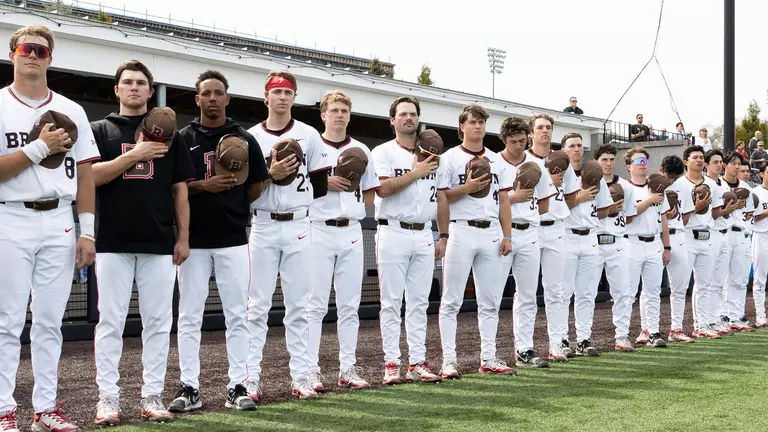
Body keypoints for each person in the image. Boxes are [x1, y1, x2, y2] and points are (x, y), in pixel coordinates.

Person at [0, 25, 98, 432]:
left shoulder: (72, 110)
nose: (33, 55)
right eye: (26, 48)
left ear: (50, 58)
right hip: (10, 217)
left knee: (49, 321)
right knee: (6, 321)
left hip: (59, 219)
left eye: (41, 50)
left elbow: (87, 174)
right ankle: (4, 410)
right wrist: (40, 147)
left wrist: (88, 230)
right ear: (12, 53)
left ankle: (45, 409)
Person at [90, 59, 195, 424]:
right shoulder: (99, 130)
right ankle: (108, 399)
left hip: (158, 243)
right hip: (112, 241)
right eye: (127, 82)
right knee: (110, 322)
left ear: (151, 93)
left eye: (141, 83)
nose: (134, 88)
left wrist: (183, 238)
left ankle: (152, 395)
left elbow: (180, 190)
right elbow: (91, 178)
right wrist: (135, 154)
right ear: (117, 90)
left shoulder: (172, 135)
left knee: (157, 322)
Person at [169, 70, 270, 413]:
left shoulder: (243, 137)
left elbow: (258, 183)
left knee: (237, 314)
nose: (212, 98)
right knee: (188, 315)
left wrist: (235, 202)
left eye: (218, 93)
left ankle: (237, 385)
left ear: (228, 99)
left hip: (232, 238)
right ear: (197, 100)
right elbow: (175, 188)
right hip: (193, 239)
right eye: (206, 93)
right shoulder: (182, 137)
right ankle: (189, 387)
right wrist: (203, 186)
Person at [244, 70, 331, 400]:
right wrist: (270, 174)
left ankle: (302, 375)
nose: (282, 97)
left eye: (288, 92)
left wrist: (296, 195)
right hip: (263, 224)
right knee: (256, 306)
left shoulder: (309, 135)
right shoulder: (251, 136)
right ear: (266, 96)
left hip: (298, 224)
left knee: (299, 306)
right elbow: (247, 189)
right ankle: (250, 377)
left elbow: (320, 184)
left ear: (294, 98)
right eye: (276, 91)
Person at [305, 91, 379, 391]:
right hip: (318, 229)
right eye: (333, 110)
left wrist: (356, 205)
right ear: (323, 115)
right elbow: (298, 186)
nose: (339, 115)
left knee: (350, 304)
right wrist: (326, 184)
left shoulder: (361, 149)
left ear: (349, 115)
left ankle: (347, 367)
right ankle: (309, 370)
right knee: (315, 305)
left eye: (344, 110)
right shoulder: (312, 146)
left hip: (351, 230)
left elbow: (372, 190)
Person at [437, 104, 514, 376]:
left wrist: (507, 236)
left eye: (481, 122)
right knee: (451, 300)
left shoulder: (497, 160)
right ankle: (449, 360)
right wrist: (467, 189)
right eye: (472, 122)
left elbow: (504, 200)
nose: (478, 126)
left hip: (491, 230)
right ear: (462, 126)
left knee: (490, 300)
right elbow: (442, 198)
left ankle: (489, 358)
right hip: (460, 229)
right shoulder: (448, 158)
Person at [372, 96, 444, 384]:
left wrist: (443, 234)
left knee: (418, 303)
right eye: (402, 114)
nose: (408, 118)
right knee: (391, 302)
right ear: (392, 120)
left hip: (424, 233)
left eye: (413, 114)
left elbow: (439, 197)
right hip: (392, 230)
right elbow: (383, 189)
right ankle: (391, 363)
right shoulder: (384, 152)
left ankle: (417, 363)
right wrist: (416, 172)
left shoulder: (434, 154)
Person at [497, 117, 556, 366]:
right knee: (492, 295)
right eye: (513, 141)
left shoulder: (536, 165)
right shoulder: (494, 162)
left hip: (530, 231)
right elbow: (486, 202)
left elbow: (544, 203)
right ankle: (488, 353)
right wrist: (514, 198)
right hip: (500, 232)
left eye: (522, 141)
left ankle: (524, 349)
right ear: (504, 140)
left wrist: (524, 208)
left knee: (528, 295)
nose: (518, 145)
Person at [525, 113, 581, 361]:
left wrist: (555, 187)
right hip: (531, 226)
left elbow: (571, 198)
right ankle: (524, 346)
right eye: (540, 127)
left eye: (548, 127)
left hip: (557, 226)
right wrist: (548, 181)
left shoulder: (562, 160)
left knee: (556, 290)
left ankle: (557, 342)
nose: (544, 131)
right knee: (526, 291)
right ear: (531, 133)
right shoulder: (523, 159)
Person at [560, 133, 613, 356]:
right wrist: (578, 199)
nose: (576, 149)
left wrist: (591, 216)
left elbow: (606, 208)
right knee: (563, 293)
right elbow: (551, 206)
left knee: (586, 293)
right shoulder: (558, 173)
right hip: (566, 235)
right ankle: (561, 339)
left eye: (580, 145)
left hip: (590, 236)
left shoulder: (595, 174)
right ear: (564, 150)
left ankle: (583, 339)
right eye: (572, 145)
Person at [623, 147, 671, 348]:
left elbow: (664, 217)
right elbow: (626, 217)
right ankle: (622, 334)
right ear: (628, 166)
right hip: (631, 242)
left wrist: (667, 246)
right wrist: (649, 199)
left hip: (653, 243)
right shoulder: (624, 188)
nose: (642, 164)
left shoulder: (657, 187)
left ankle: (652, 331)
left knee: (652, 291)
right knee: (628, 292)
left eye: (644, 160)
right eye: (637, 160)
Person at [593, 144, 638, 351]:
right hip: (593, 240)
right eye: (604, 159)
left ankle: (622, 335)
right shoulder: (589, 184)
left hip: (618, 241)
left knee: (623, 292)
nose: (609, 163)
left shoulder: (626, 187)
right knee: (586, 293)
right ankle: (583, 338)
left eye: (611, 159)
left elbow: (629, 216)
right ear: (596, 162)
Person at [680, 145, 724, 339]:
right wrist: (695, 208)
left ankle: (702, 324)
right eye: (694, 157)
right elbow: (677, 216)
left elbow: (716, 212)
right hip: (687, 234)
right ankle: (677, 327)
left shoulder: (712, 185)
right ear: (686, 161)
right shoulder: (679, 185)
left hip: (707, 235)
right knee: (681, 285)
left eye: (700, 157)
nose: (698, 160)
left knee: (705, 283)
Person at [713, 152, 754, 331]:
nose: (737, 167)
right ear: (725, 166)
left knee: (740, 279)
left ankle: (736, 315)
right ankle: (721, 315)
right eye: (733, 163)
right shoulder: (718, 185)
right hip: (725, 232)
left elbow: (749, 212)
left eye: (739, 163)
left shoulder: (745, 186)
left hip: (742, 234)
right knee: (720, 279)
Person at [704, 150, 741, 335]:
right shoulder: (705, 184)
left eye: (720, 162)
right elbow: (709, 212)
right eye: (715, 162)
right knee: (707, 282)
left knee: (718, 282)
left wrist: (729, 210)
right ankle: (704, 322)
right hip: (711, 234)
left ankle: (716, 318)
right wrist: (728, 210)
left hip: (724, 233)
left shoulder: (722, 184)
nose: (718, 165)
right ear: (706, 164)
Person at [660, 155, 696, 343]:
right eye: (669, 175)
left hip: (679, 235)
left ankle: (676, 329)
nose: (672, 179)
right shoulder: (654, 185)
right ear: (661, 170)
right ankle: (648, 330)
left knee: (680, 286)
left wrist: (673, 217)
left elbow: (686, 218)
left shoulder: (685, 187)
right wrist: (665, 217)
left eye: (675, 176)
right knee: (650, 289)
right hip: (657, 238)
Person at [750, 163, 768, 328]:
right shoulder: (755, 192)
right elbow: (751, 218)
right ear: (762, 174)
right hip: (762, 235)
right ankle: (760, 315)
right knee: (760, 278)